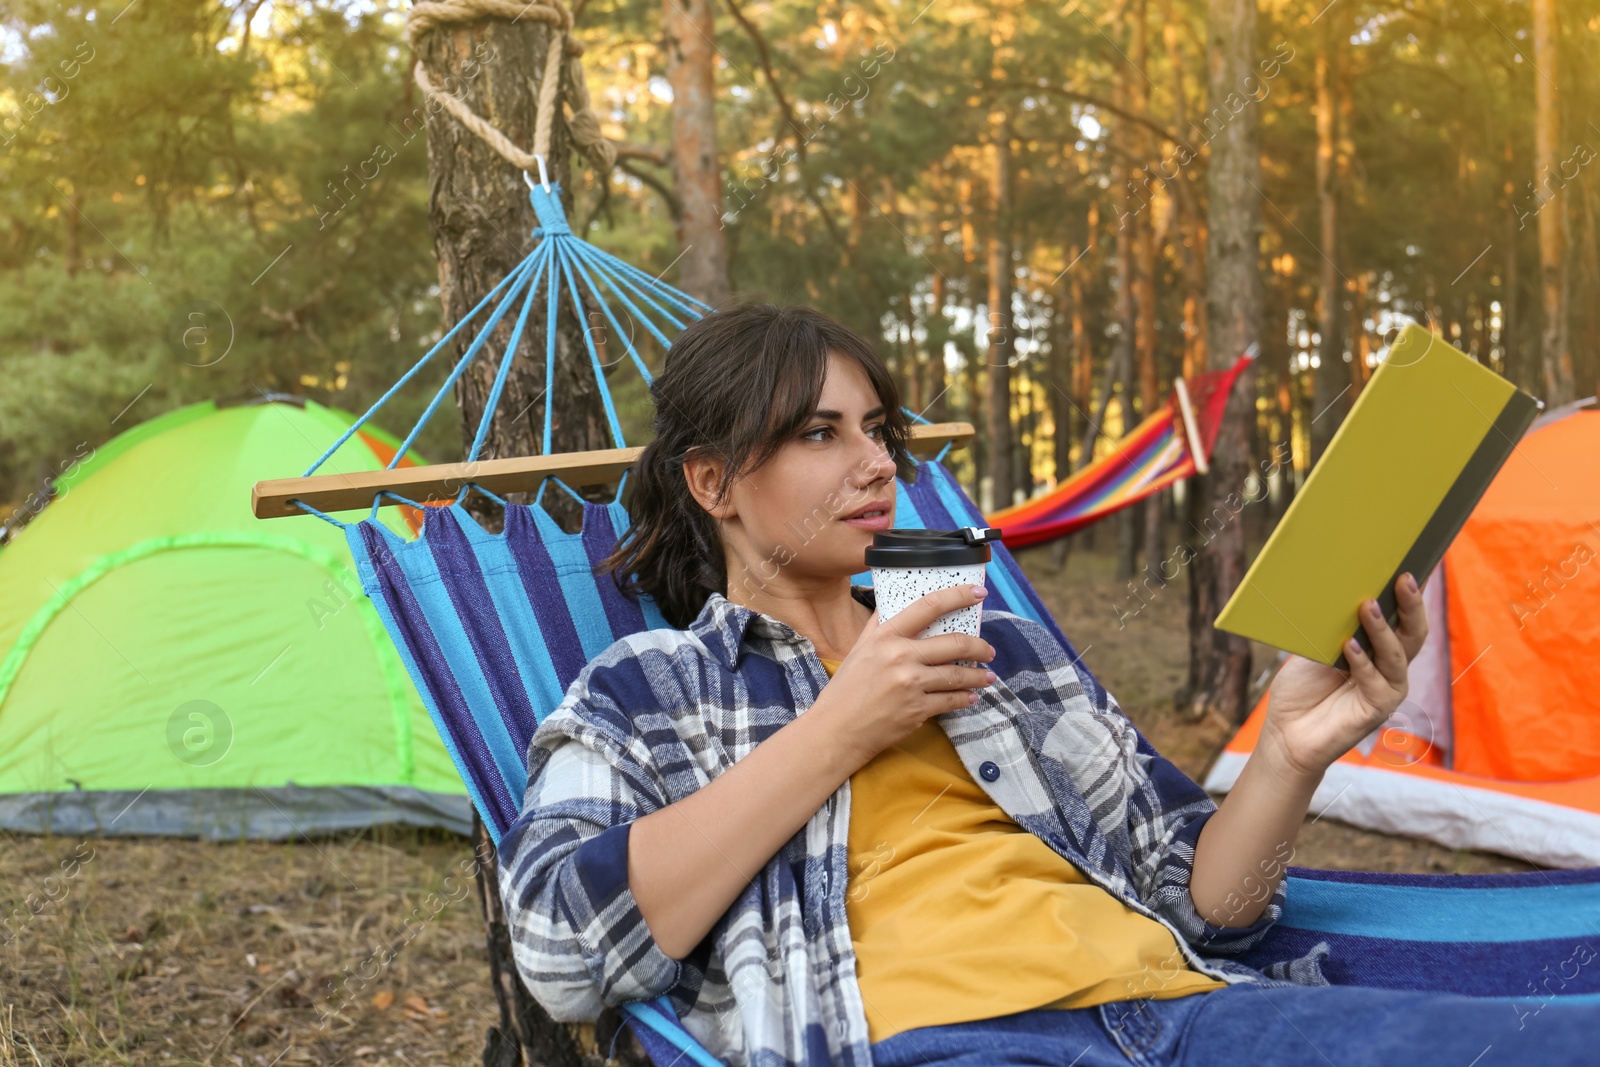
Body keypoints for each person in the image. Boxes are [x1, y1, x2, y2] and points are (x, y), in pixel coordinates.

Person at [494, 301, 1595, 1067]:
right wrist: (838, 727)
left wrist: (1295, 747)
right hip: (955, 1040)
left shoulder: (999, 650)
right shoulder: (649, 689)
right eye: (820, 434)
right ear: (713, 481)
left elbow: (1208, 900)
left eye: (877, 429)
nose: (876, 463)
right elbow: (556, 946)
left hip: (1186, 1019)